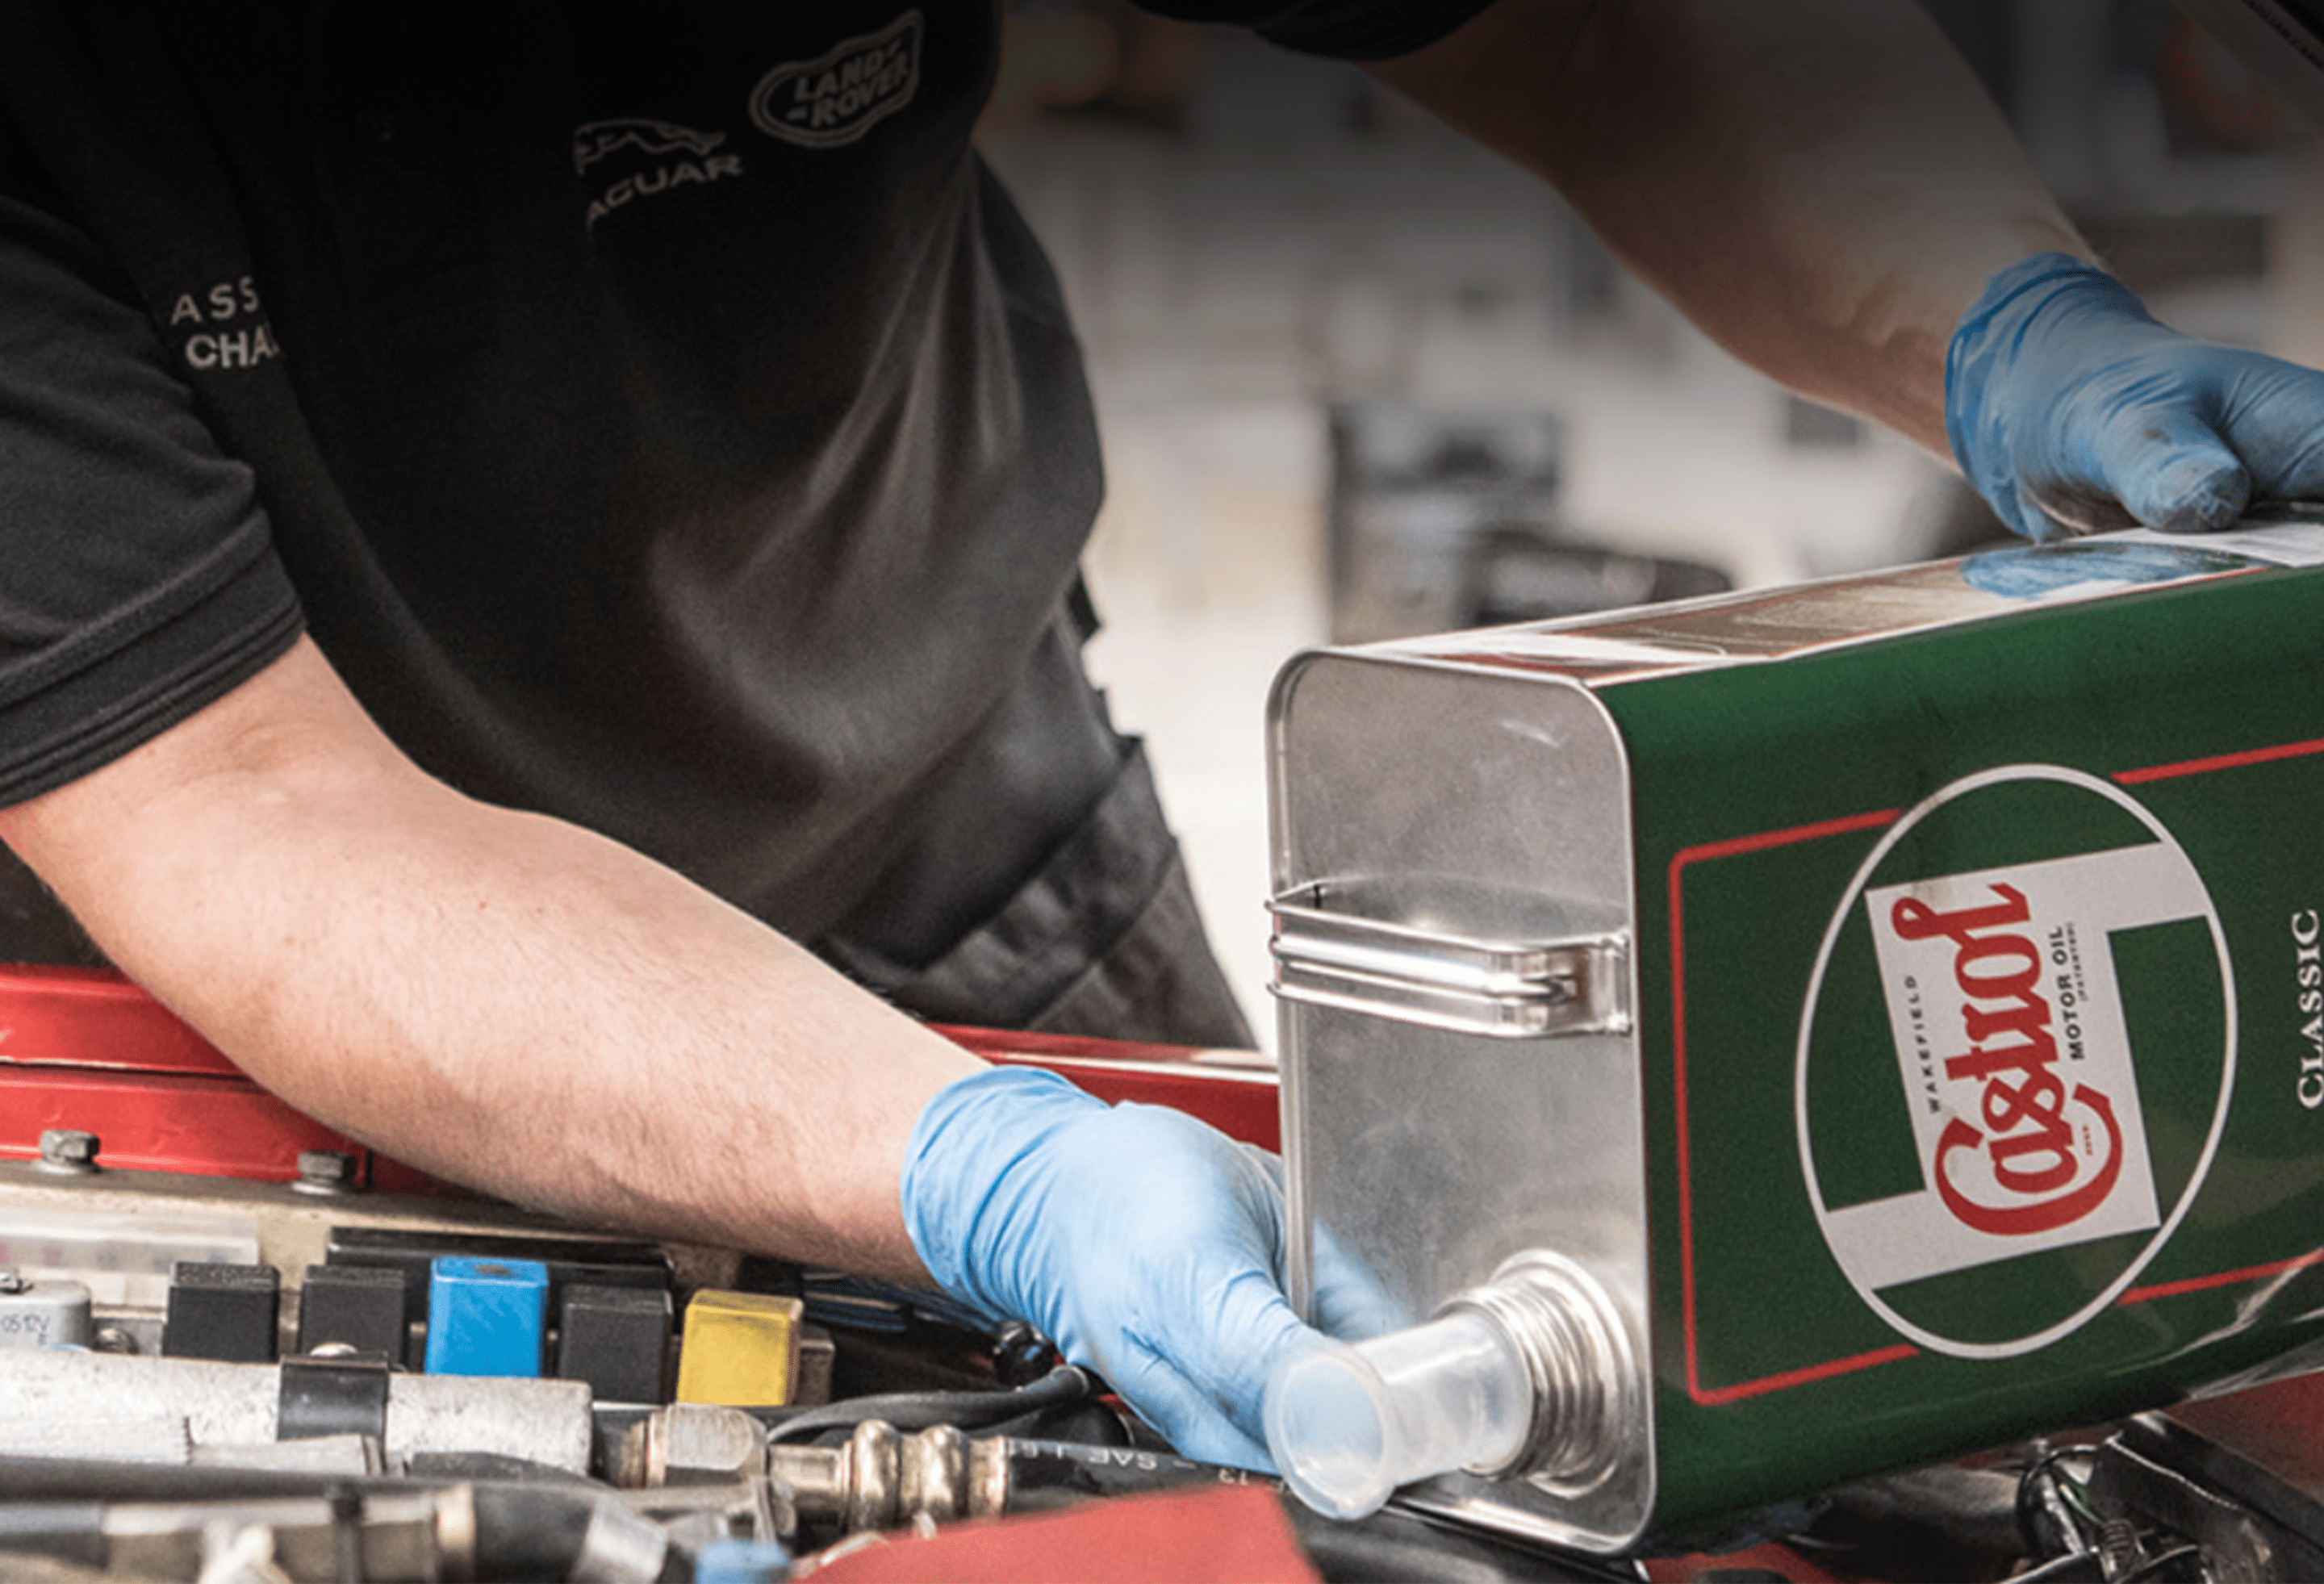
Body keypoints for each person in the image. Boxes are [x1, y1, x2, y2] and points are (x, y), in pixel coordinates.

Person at [4, 0, 2324, 1473]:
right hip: (238, 1050)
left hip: (980, 862)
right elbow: (251, 813)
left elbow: (1587, 36)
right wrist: (989, 1172)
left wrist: (2007, 323)